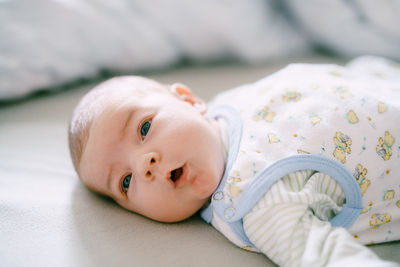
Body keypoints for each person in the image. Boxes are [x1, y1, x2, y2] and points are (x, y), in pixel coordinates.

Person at [68, 56, 400, 266]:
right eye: (126, 182)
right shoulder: (259, 206)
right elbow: (326, 257)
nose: (145, 164)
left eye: (144, 128)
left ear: (188, 100)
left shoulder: (227, 106)